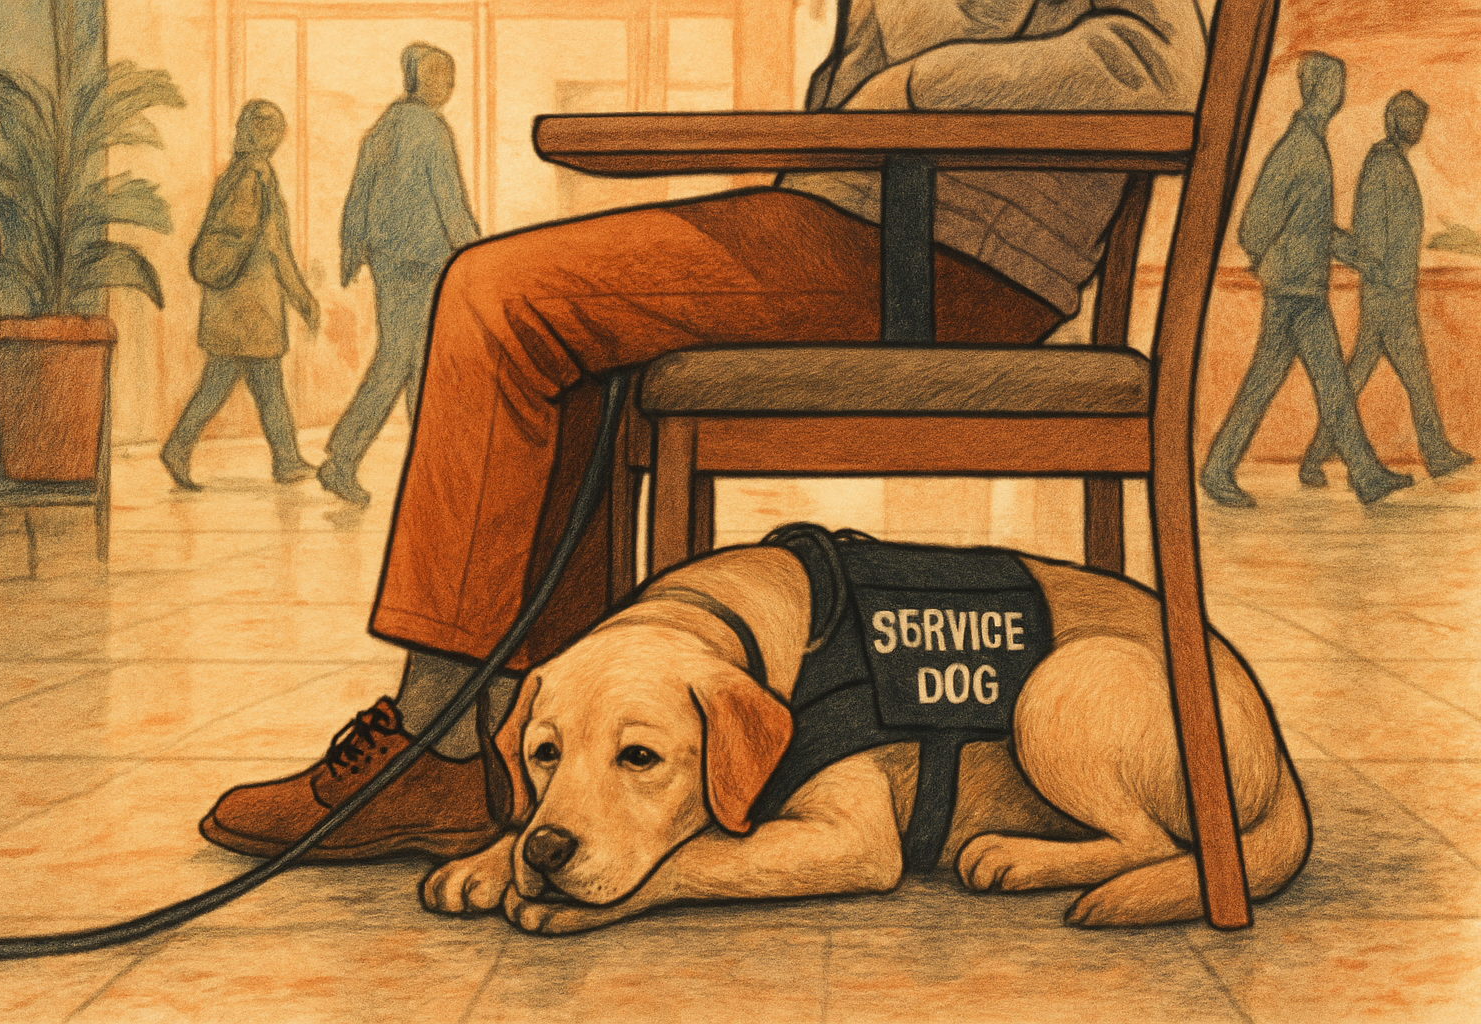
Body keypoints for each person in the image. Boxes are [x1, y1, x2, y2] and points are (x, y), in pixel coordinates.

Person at [198, 0, 1209, 865]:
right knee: (566, 342)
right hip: (864, 221)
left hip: (936, 261)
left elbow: (1153, 65)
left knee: (498, 298)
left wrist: (918, 91)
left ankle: (437, 745)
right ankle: (518, 747)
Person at [1200, 52, 1412, 508]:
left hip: (1302, 290)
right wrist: (1270, 264)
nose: (1341, 92)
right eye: (1336, 84)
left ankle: (1364, 475)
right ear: (1319, 90)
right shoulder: (1298, 148)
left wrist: (1355, 254)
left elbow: (1312, 225)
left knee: (1318, 382)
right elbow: (1253, 225)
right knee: (1312, 382)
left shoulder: (1311, 145)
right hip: (1294, 292)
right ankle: (1220, 470)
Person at [317, 43, 481, 507]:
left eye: (450, 76)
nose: (448, 85)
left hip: (389, 262)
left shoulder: (386, 126)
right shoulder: (432, 130)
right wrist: (478, 252)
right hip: (426, 263)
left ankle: (419, 468)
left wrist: (353, 247)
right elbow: (451, 204)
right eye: (440, 76)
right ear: (419, 79)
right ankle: (346, 458)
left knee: (413, 362)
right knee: (404, 361)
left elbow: (358, 192)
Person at [1299, 90, 1472, 485]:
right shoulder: (1384, 165)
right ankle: (1437, 453)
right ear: (1398, 121)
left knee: (1355, 378)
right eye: (1414, 120)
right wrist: (1378, 271)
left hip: (1390, 291)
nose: (1419, 128)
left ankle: (1313, 459)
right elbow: (1371, 239)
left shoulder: (1391, 163)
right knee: (1412, 377)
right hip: (1388, 294)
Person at [161, 100, 319, 490]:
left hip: (232, 303)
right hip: (250, 305)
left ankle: (284, 458)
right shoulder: (256, 176)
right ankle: (184, 448)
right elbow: (272, 245)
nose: (278, 140)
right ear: (265, 135)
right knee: (245, 381)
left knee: (250, 382)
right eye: (274, 132)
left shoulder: (236, 174)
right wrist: (302, 298)